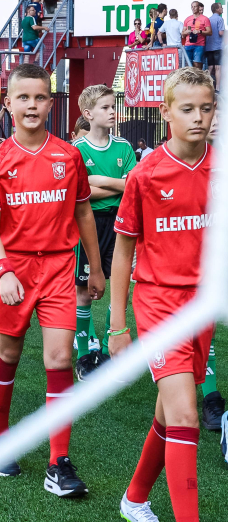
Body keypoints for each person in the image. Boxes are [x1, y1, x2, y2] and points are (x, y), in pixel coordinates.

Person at [0, 63, 104, 489]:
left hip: (57, 268)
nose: (32, 105)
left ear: (51, 102)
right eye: (24, 97)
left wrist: (96, 266)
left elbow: (83, 210)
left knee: (61, 359)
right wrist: (3, 270)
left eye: (40, 97)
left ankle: (59, 461)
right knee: (8, 354)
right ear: (9, 104)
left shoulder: (68, 155)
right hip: (12, 269)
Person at [110, 67, 215, 522]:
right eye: (187, 109)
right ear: (165, 111)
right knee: (187, 417)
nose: (198, 118)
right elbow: (122, 254)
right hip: (157, 304)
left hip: (203, 306)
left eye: (206, 108)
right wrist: (116, 324)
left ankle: (134, 498)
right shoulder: (146, 174)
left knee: (172, 413)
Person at [72, 86, 136, 380]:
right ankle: (84, 354)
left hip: (119, 222)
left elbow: (132, 188)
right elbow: (79, 194)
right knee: (83, 290)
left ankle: (111, 352)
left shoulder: (123, 146)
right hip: (88, 223)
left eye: (114, 106)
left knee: (118, 286)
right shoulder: (78, 150)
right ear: (88, 114)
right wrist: (115, 184)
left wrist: (99, 181)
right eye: (106, 107)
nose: (113, 112)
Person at [182, 1, 211, 69]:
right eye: (192, 7)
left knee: (197, 64)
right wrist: (187, 32)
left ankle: (198, 79)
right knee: (188, 66)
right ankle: (191, 80)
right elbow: (182, 34)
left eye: (195, 6)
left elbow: (210, 32)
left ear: (198, 7)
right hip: (188, 45)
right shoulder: (187, 19)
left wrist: (200, 31)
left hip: (199, 45)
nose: (193, 8)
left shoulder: (205, 19)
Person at [206, 2, 224, 90]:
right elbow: (221, 33)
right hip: (217, 46)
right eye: (221, 7)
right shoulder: (220, 19)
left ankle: (207, 86)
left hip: (208, 47)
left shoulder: (208, 19)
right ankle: (217, 88)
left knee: (210, 67)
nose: (222, 9)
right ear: (217, 9)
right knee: (218, 67)